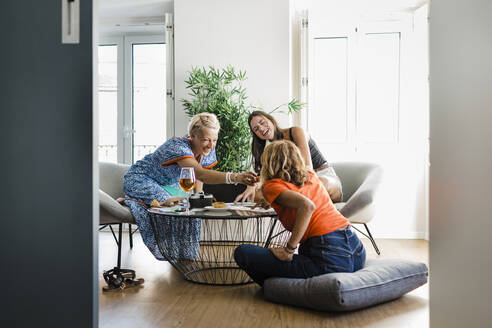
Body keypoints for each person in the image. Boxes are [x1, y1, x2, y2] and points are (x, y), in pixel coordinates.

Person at [123, 112, 257, 260]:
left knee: (190, 208)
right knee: (172, 206)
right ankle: (170, 253)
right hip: (141, 179)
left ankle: (187, 256)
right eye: (206, 140)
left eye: (215, 140)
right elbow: (200, 173)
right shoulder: (177, 146)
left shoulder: (208, 149)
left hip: (169, 185)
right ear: (193, 135)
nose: (211, 145)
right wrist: (236, 177)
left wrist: (197, 197)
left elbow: (201, 172)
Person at [234, 140, 365, 286]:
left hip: (329, 257)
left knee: (243, 252)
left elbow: (307, 205)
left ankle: (276, 288)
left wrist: (288, 250)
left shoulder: (271, 186)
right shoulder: (310, 174)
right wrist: (275, 200)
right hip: (356, 251)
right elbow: (302, 194)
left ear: (268, 162)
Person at [235, 110, 342, 205]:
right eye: (256, 129)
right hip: (297, 185)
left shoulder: (295, 132)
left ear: (271, 119)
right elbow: (265, 177)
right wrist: (253, 186)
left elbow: (307, 169)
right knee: (257, 195)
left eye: (262, 122)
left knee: (321, 182)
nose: (262, 129)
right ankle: (298, 205)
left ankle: (300, 203)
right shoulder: (268, 150)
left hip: (319, 176)